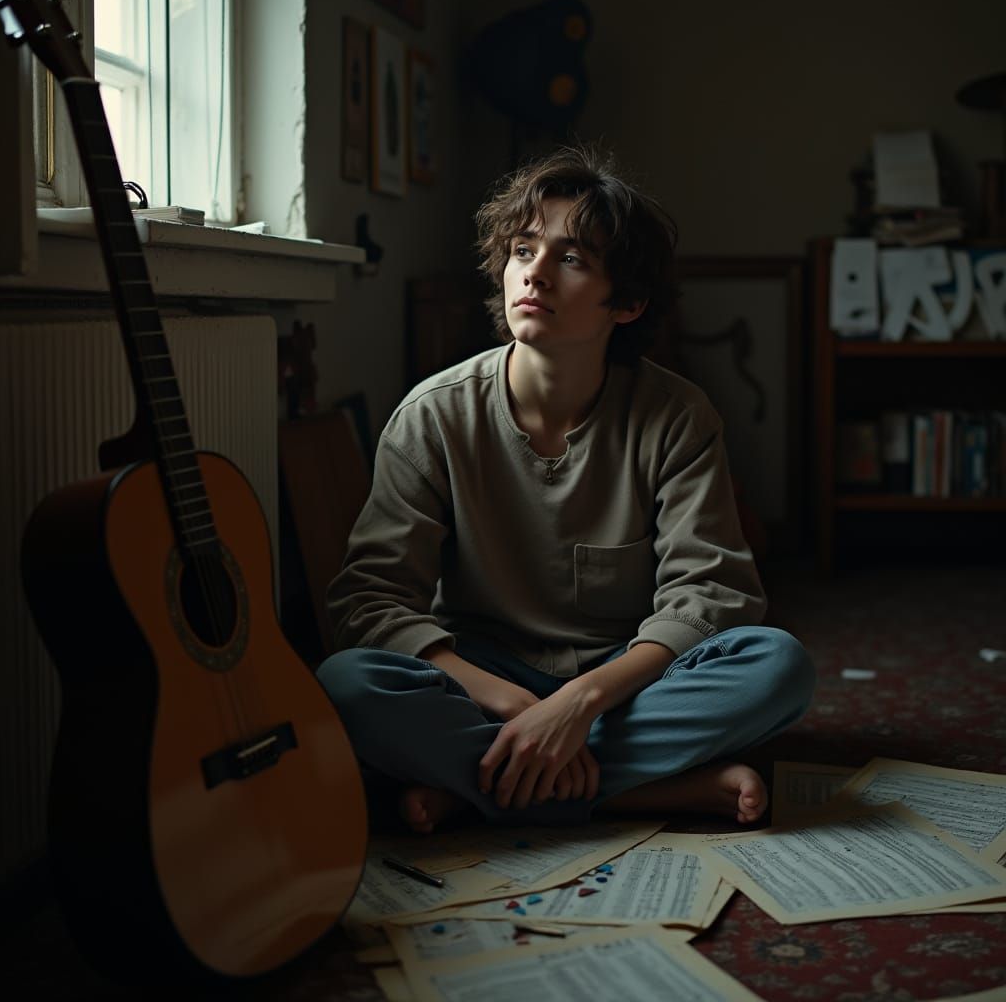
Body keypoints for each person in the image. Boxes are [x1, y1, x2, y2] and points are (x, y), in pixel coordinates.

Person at [317, 144, 814, 834]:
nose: (536, 274)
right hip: (480, 677)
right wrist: (520, 709)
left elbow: (712, 594)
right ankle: (638, 790)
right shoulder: (432, 416)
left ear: (629, 303)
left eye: (571, 259)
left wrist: (577, 705)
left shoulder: (677, 416)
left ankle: (480, 784)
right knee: (346, 684)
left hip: (625, 678)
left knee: (778, 667)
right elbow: (370, 598)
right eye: (523, 251)